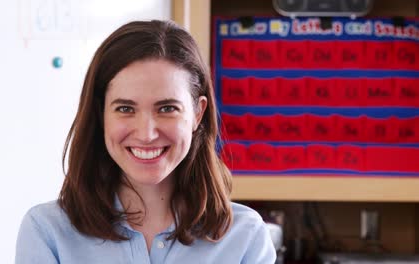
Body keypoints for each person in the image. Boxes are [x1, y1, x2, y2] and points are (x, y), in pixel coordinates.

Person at [15, 20, 276, 264]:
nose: (147, 133)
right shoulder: (47, 231)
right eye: (126, 109)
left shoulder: (245, 236)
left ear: (198, 113)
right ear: (100, 114)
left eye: (167, 108)